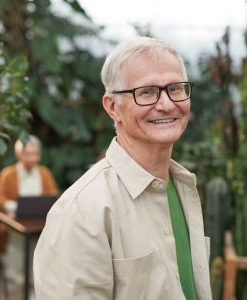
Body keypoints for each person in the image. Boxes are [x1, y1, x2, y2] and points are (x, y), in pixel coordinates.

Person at [33, 37, 212, 299]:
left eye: (175, 88)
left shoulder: (183, 188)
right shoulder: (82, 212)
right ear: (112, 107)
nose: (165, 104)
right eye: (146, 92)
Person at [0, 134, 58, 251]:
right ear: (18, 155)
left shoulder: (45, 173)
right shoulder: (7, 174)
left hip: (40, 227)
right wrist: (14, 206)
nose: (32, 159)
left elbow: (54, 196)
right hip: (14, 226)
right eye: (28, 154)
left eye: (35, 154)